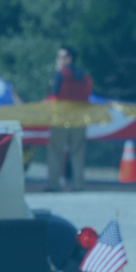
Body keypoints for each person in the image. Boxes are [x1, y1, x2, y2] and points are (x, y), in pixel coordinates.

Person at [46, 45, 93, 192]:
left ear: (68, 59)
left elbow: (54, 97)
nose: (57, 60)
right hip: (79, 118)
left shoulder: (60, 75)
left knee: (55, 151)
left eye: (60, 57)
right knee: (78, 152)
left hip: (61, 118)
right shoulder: (84, 76)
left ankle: (53, 184)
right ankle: (79, 184)